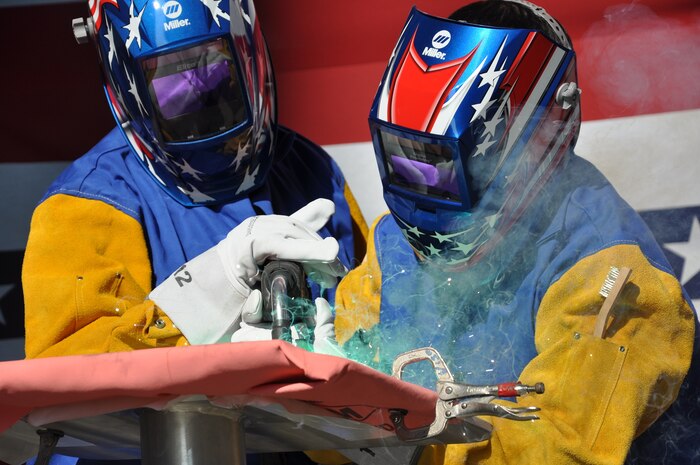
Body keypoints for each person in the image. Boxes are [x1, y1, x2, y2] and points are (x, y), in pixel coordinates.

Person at [313, 1, 697, 464]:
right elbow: (346, 384)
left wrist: (408, 454)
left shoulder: (613, 274)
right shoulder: (392, 242)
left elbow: (564, 448)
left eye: (452, 163)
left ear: (544, 128)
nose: (425, 189)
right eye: (410, 157)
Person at [21, 1, 367, 371]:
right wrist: (208, 296)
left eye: (215, 72)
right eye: (170, 83)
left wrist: (352, 354)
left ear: (247, 48)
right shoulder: (88, 204)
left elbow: (370, 317)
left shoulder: (309, 167)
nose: (201, 100)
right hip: (179, 431)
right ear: (126, 77)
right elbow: (62, 373)